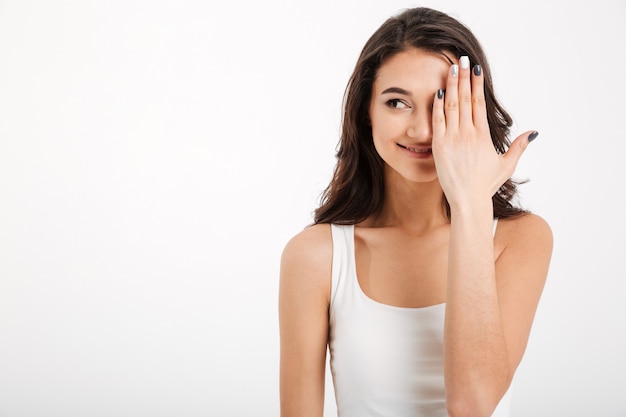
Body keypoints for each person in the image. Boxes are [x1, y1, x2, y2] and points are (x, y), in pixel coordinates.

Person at [278, 6, 553, 417]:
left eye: (444, 103)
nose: (424, 130)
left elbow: (474, 405)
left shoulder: (520, 239)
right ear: (365, 113)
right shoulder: (315, 256)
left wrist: (471, 204)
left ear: (475, 111)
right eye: (397, 103)